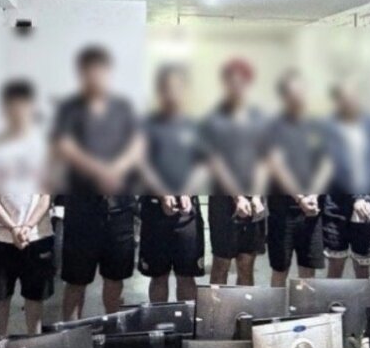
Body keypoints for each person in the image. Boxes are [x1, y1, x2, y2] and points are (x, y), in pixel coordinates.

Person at [51, 45, 143, 319]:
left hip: (119, 210)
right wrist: (99, 171)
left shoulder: (123, 108)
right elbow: (64, 147)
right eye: (90, 71)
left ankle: (112, 332)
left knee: (115, 281)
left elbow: (137, 145)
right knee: (76, 282)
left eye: (101, 71)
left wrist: (118, 168)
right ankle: (70, 334)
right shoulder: (69, 110)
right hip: (83, 210)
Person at [0, 80, 54, 337]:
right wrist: (12, 228)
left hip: (38, 235)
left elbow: (45, 197)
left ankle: (35, 347)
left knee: (35, 301)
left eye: (24, 105)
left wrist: (27, 227)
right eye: (12, 105)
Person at [137, 64, 206, 302]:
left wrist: (187, 192)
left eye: (178, 87)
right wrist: (163, 195)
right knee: (159, 276)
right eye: (167, 88)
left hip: (187, 213)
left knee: (187, 276)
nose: (173, 93)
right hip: (155, 210)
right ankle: (160, 321)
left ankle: (186, 322)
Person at [200, 58, 268, 287]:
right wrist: (238, 198)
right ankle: (216, 310)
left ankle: (243, 308)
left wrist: (256, 197)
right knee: (221, 263)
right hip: (224, 201)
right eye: (232, 82)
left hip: (254, 200)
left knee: (247, 262)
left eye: (242, 82)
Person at [264, 69, 330, 287]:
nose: (299, 97)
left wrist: (313, 196)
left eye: (302, 91)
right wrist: (300, 198)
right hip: (282, 211)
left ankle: (305, 308)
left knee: (308, 271)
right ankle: (276, 309)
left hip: (312, 210)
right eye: (293, 93)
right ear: (284, 96)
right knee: (279, 270)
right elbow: (276, 165)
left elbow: (326, 163)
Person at [321, 79, 370, 279]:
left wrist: (367, 199)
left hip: (365, 205)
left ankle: (362, 301)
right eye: (344, 97)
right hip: (336, 205)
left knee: (362, 267)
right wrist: (357, 198)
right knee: (335, 266)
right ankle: (333, 301)